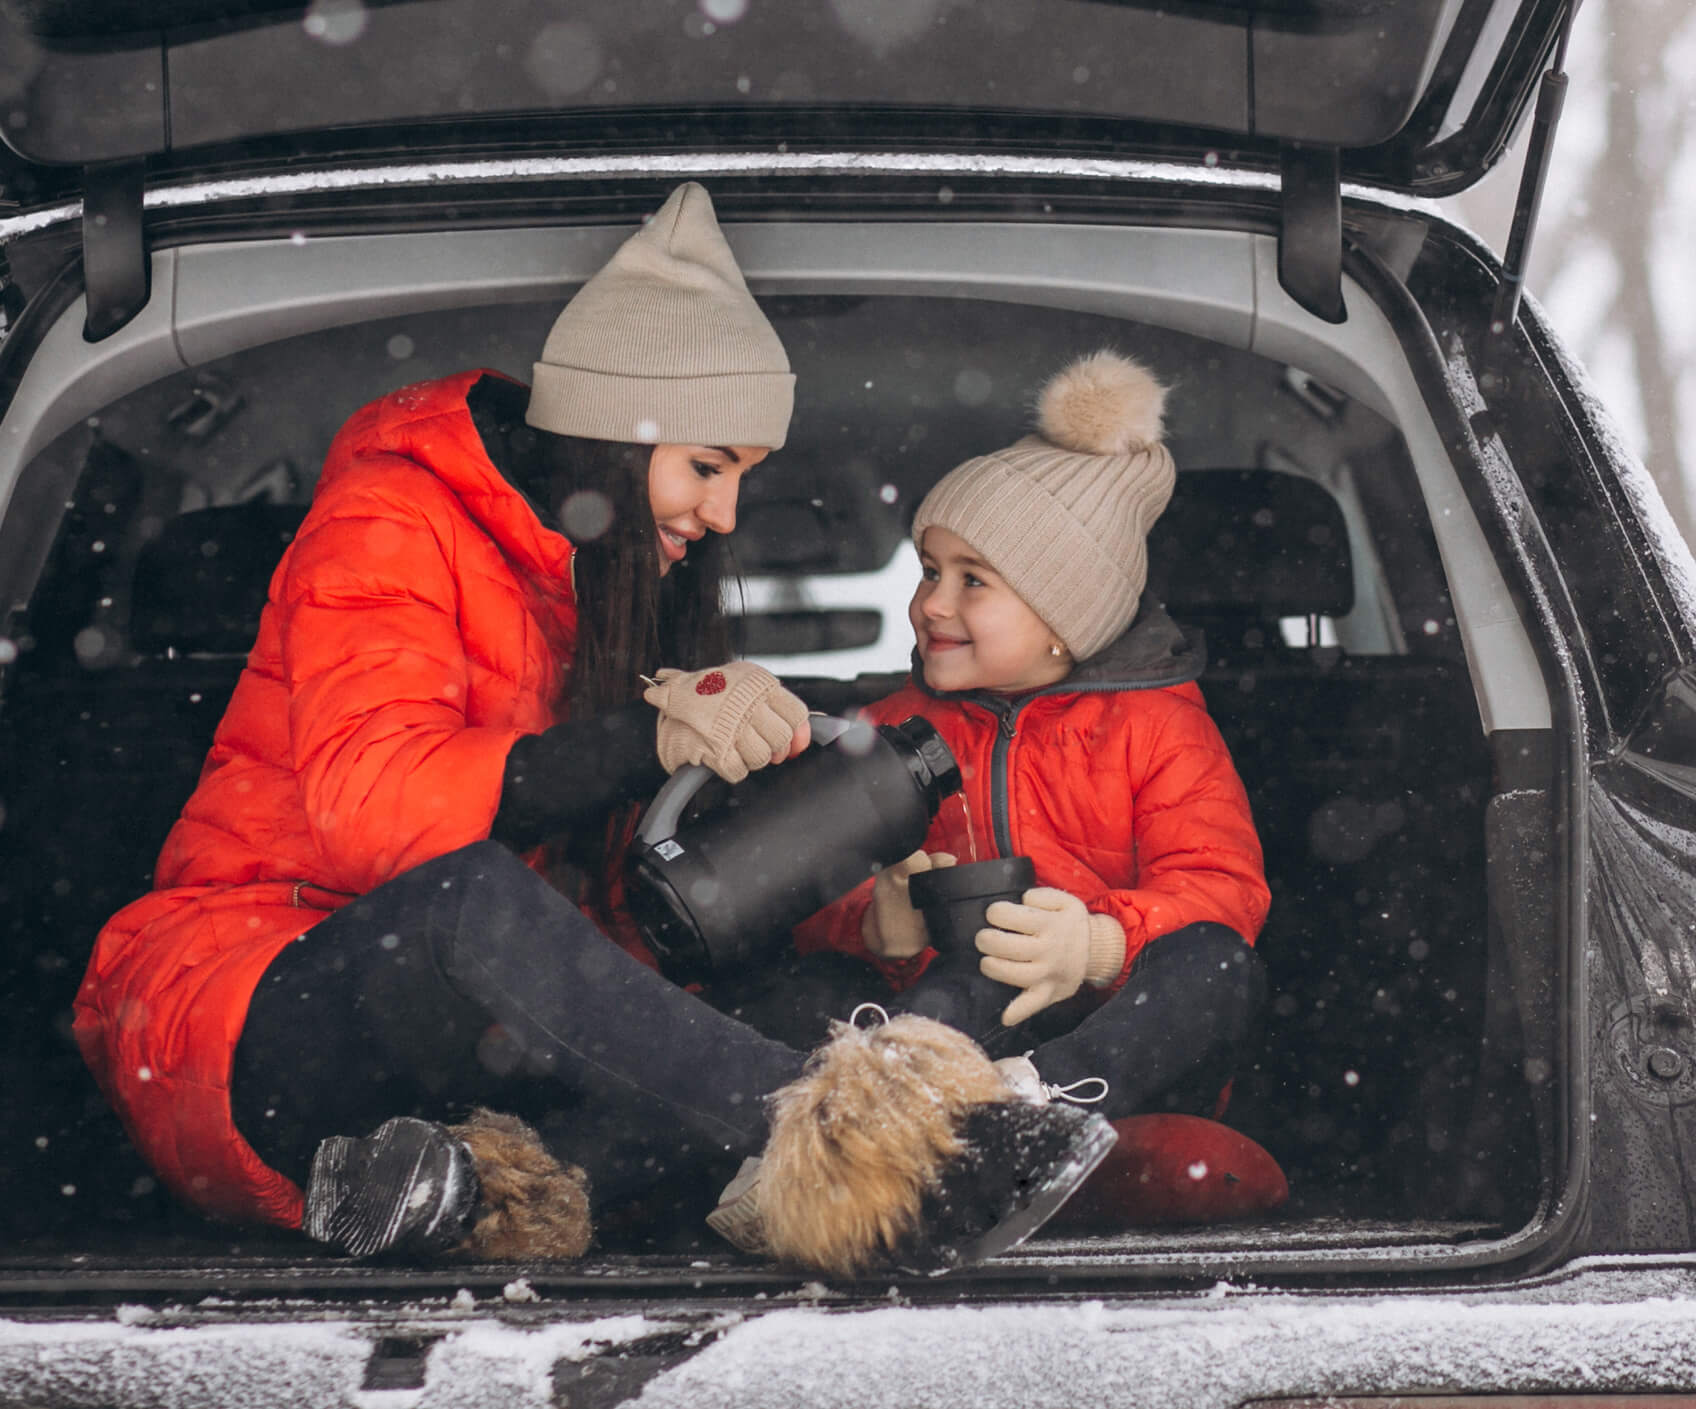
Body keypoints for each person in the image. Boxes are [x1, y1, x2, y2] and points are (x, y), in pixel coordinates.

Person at [71, 183, 1111, 1277]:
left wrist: (858, 922)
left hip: (452, 1064)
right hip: (250, 1011)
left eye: (738, 480)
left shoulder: (607, 595)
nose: (722, 517)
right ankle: (866, 1159)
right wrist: (645, 736)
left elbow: (636, 921)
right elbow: (373, 818)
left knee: (799, 1005)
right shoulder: (389, 519)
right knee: (474, 900)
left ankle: (458, 1194)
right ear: (618, 431)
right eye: (707, 466)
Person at [790, 350, 1270, 1121]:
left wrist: (1097, 945)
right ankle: (858, 1113)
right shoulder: (890, 730)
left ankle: (1033, 1105)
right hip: (946, 1025)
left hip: (1117, 1055)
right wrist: (874, 926)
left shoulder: (1159, 727)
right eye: (928, 570)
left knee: (1218, 963)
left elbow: (1225, 890)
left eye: (972, 579)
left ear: (1065, 618)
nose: (932, 604)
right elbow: (804, 884)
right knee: (826, 986)